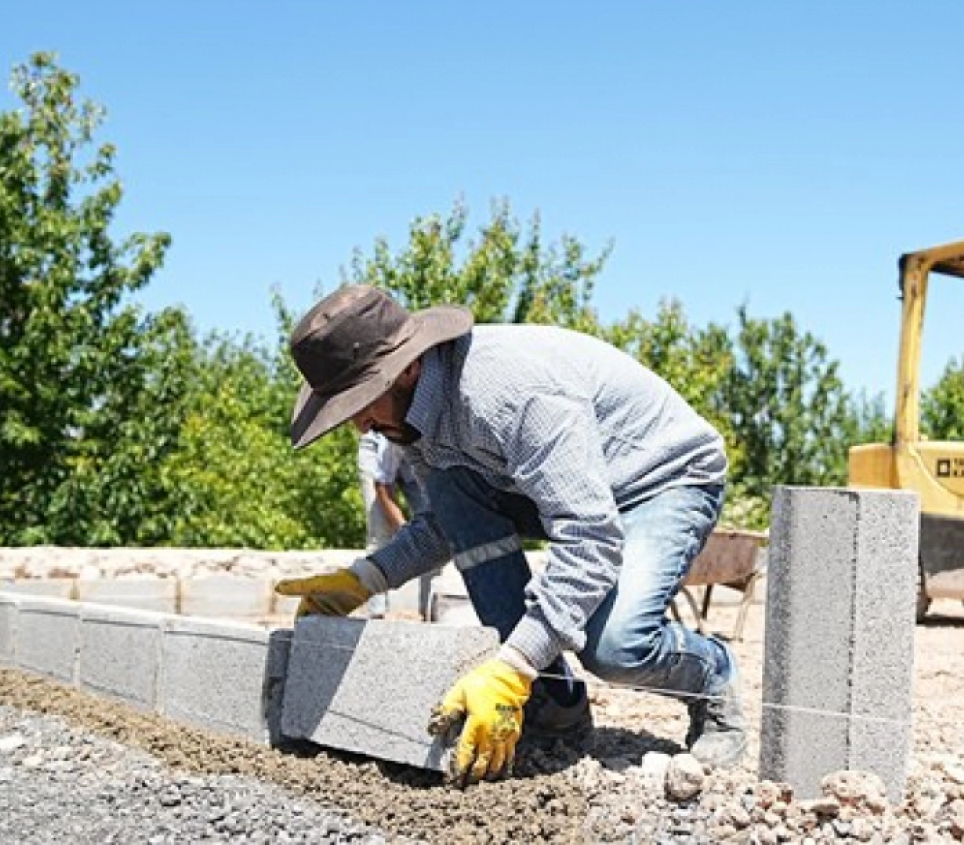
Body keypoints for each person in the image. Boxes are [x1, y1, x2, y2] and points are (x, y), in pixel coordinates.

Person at [273, 285, 746, 785]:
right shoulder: (412, 420)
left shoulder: (510, 394)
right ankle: (552, 703)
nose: (360, 425)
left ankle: (711, 679)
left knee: (615, 649)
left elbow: (589, 537)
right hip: (579, 489)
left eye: (362, 404)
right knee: (454, 490)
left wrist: (513, 664)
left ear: (407, 369)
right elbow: (446, 522)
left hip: (660, 481)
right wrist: (365, 579)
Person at [356, 429, 438, 618]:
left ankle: (429, 611)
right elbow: (382, 485)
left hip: (413, 459)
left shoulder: (439, 438)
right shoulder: (392, 435)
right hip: (378, 455)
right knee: (381, 534)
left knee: (435, 530)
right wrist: (403, 528)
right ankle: (376, 614)